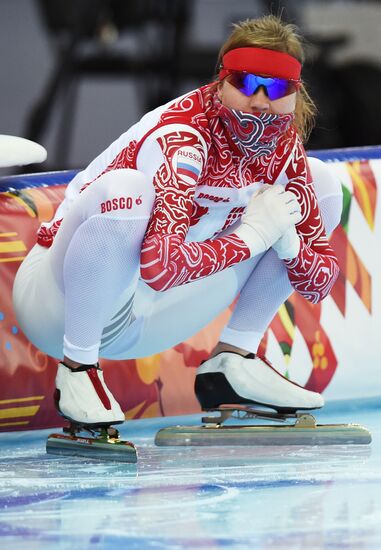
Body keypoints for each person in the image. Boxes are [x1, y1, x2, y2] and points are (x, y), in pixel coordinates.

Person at [13, 15, 342, 427]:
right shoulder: (184, 136)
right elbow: (159, 266)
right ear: (221, 81)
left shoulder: (285, 146)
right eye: (244, 83)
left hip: (154, 315)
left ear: (296, 93)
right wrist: (256, 234)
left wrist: (289, 243)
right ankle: (77, 369)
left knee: (324, 183)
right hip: (62, 305)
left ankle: (235, 360)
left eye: (276, 88)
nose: (260, 101)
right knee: (125, 192)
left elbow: (320, 283)